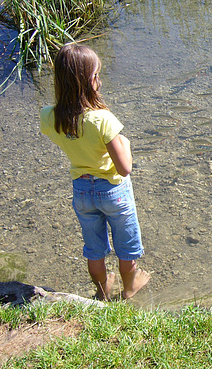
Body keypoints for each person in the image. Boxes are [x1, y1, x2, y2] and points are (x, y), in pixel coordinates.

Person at [40, 43, 150, 300]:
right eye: (97, 75)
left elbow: (67, 137)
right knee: (126, 246)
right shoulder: (101, 119)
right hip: (113, 191)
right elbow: (125, 169)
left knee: (94, 249)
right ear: (91, 81)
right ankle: (130, 289)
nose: (99, 80)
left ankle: (102, 293)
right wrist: (126, 144)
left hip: (82, 190)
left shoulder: (49, 117)